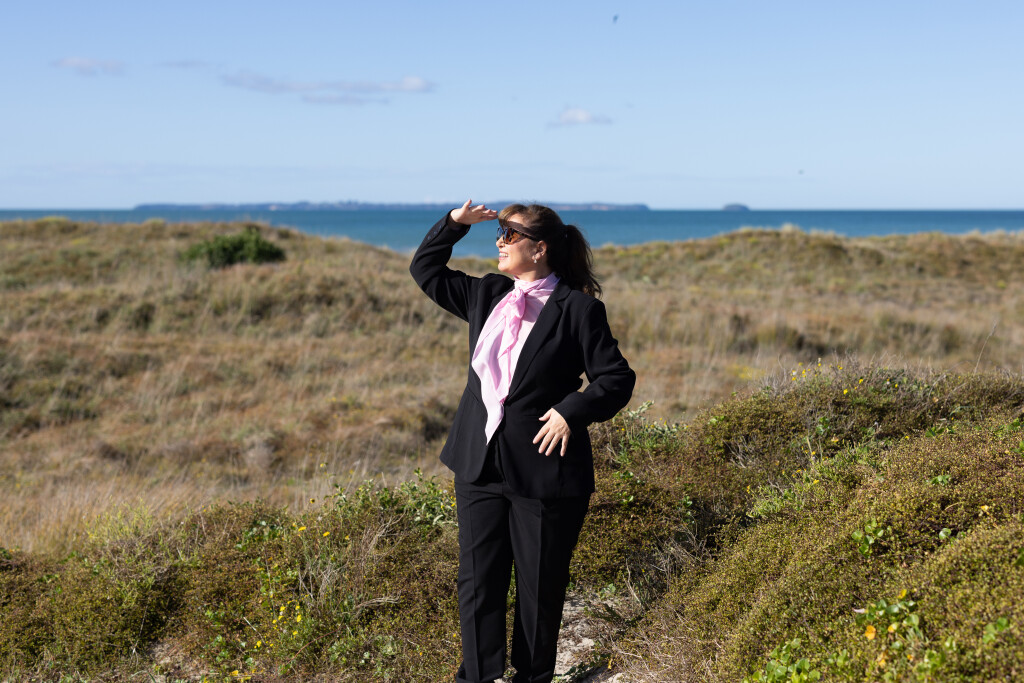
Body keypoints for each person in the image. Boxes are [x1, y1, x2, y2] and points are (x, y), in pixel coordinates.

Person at [410, 200, 635, 683]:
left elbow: (616, 378)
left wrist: (571, 411)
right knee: (477, 581)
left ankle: (532, 679)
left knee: (539, 587)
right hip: (478, 461)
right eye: (499, 232)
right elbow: (425, 269)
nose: (499, 241)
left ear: (540, 249)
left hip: (545, 469)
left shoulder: (579, 310)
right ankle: (478, 677)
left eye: (510, 234)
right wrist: (454, 225)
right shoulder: (487, 294)